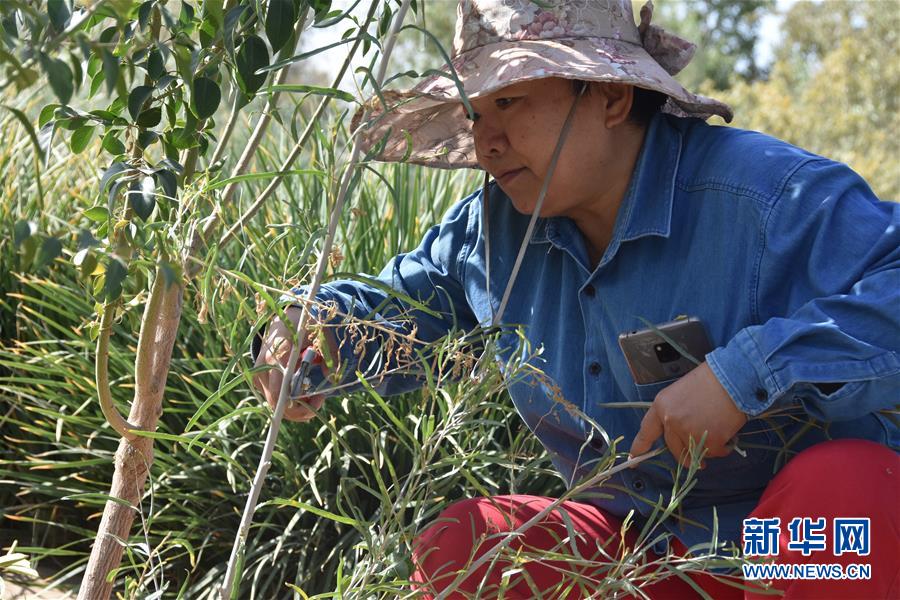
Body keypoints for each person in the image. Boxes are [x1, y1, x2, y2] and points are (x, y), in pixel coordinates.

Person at [253, 0, 900, 597]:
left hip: (778, 551)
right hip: (633, 555)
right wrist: (311, 329)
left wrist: (746, 374)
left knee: (849, 492)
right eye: (475, 113)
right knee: (466, 546)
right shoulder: (495, 231)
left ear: (612, 96)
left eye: (509, 101)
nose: (486, 140)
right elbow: (399, 307)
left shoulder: (762, 196)